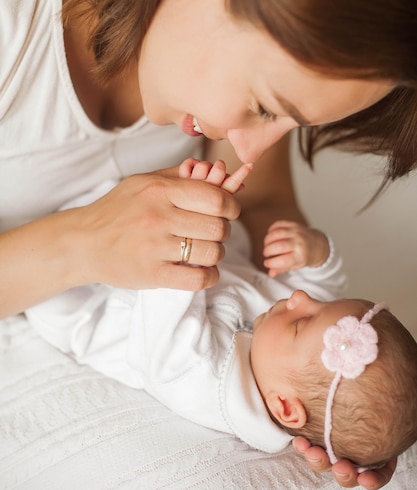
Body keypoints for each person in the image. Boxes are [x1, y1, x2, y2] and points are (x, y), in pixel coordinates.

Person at [1, 0, 417, 486]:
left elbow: (267, 204)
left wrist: (339, 415)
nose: (246, 145)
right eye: (267, 105)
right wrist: (81, 243)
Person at [25, 158, 417, 473]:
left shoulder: (208, 384)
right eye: (318, 304)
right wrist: (316, 254)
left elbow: (165, 323)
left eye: (301, 321)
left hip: (95, 299)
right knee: (238, 238)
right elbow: (329, 288)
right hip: (188, 258)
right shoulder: (291, 355)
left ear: (284, 408)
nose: (300, 297)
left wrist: (191, 225)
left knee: (57, 298)